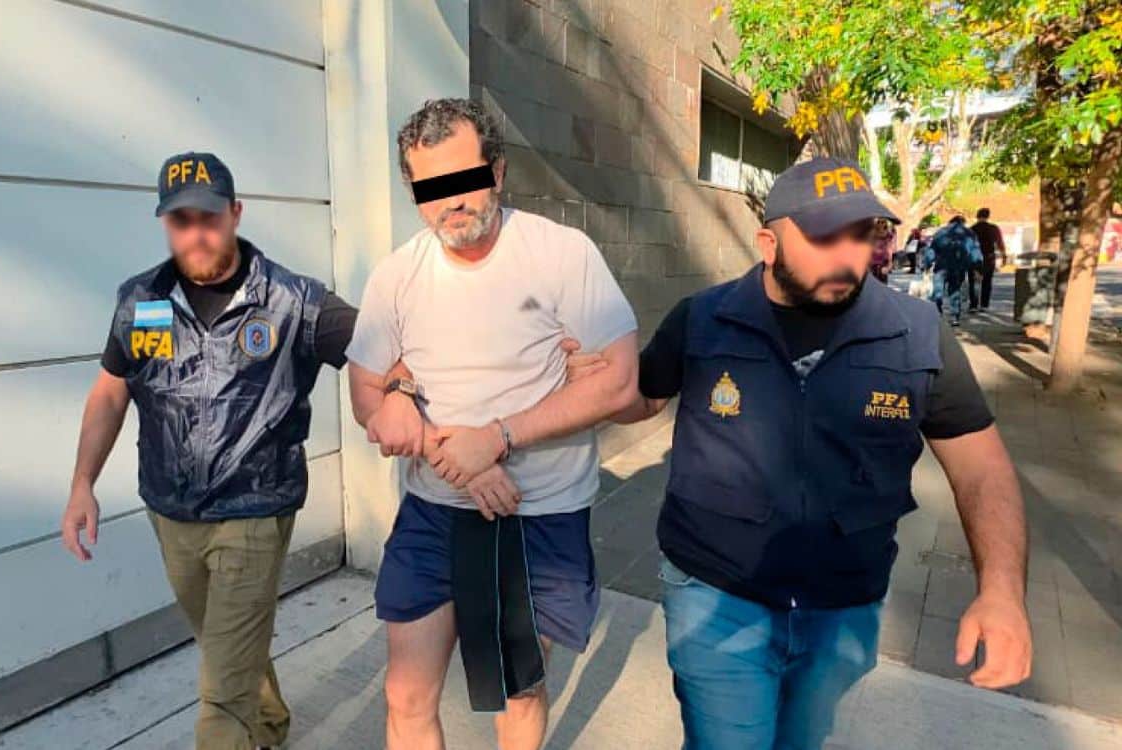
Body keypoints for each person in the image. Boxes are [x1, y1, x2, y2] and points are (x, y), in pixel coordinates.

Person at [599, 159, 1031, 750]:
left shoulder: (917, 334)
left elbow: (982, 468)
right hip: (717, 595)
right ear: (768, 244)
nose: (848, 256)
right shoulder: (703, 319)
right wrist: (600, 385)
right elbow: (644, 398)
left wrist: (1002, 591)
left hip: (844, 608)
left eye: (863, 234)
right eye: (825, 236)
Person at [344, 98, 638, 750]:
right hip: (434, 515)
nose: (451, 202)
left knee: (518, 692)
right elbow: (365, 391)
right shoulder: (397, 276)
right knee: (405, 695)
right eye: (431, 187)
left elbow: (619, 380)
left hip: (540, 515)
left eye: (465, 180)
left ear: (498, 172)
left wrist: (497, 438)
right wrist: (411, 413)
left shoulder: (561, 255)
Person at [60, 152, 359, 750]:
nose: (195, 233)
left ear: (235, 214)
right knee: (225, 642)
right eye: (181, 220)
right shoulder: (144, 300)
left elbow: (379, 345)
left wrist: (399, 395)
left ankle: (239, 730)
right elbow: (112, 389)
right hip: (170, 511)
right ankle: (268, 725)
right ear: (165, 223)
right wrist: (81, 483)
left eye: (209, 218)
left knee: (220, 695)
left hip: (254, 510)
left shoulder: (292, 301)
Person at [923, 215, 982, 326]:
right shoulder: (969, 233)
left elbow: (932, 249)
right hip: (959, 266)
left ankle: (937, 312)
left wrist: (927, 264)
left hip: (941, 265)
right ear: (963, 222)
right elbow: (975, 252)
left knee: (938, 289)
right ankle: (955, 316)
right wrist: (977, 267)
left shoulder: (941, 232)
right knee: (955, 290)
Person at [970, 207, 1006, 310]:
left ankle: (973, 305)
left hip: (974, 258)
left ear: (977, 216)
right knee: (987, 281)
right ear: (988, 216)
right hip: (988, 258)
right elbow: (1000, 243)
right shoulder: (993, 228)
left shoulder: (972, 229)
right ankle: (984, 305)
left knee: (974, 281)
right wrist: (1004, 256)